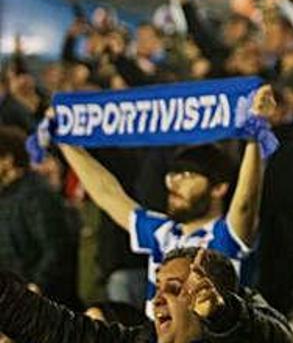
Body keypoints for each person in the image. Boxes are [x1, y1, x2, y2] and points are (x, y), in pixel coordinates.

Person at [57, 85, 276, 316]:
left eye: (188, 175)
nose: (174, 183)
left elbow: (246, 203)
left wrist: (256, 133)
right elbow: (106, 193)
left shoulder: (225, 236)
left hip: (207, 337)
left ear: (219, 188)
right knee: (96, 316)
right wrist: (65, 141)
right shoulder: (163, 232)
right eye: (174, 174)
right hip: (157, 334)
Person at [0, 247, 293, 342]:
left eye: (175, 289)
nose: (157, 300)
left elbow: (277, 338)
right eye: (157, 287)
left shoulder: (246, 325)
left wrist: (223, 315)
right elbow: (61, 329)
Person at [0, 126, 76, 306]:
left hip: (44, 304)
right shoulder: (6, 196)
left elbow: (56, 247)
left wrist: (36, 286)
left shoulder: (36, 194)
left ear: (8, 160)